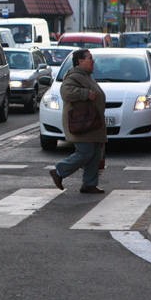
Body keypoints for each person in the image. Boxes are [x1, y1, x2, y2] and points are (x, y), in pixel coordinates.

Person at [49, 49, 107, 194]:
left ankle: (89, 184)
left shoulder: (86, 76)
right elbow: (66, 92)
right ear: (80, 61)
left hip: (91, 123)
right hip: (81, 123)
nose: (93, 61)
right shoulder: (74, 76)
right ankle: (59, 171)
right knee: (85, 152)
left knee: (94, 154)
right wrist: (85, 94)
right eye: (90, 58)